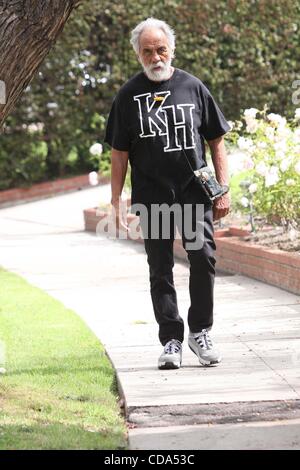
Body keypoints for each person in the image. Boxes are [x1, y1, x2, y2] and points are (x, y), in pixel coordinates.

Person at [104, 18, 231, 370]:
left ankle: (200, 331)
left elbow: (216, 139)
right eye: (148, 51)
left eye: (161, 49)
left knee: (202, 258)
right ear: (138, 54)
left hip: (194, 192)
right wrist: (115, 201)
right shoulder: (127, 96)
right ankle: (171, 339)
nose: (156, 57)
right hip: (152, 196)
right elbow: (119, 152)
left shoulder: (192, 87)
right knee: (160, 269)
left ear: (171, 49)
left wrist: (223, 190)